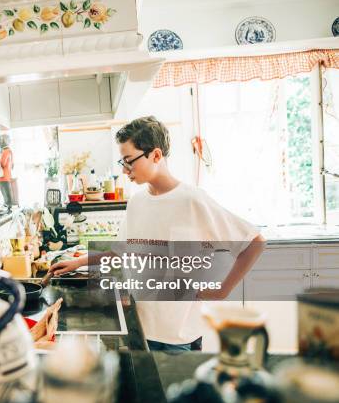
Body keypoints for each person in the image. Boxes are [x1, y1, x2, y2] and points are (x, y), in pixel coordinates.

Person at [49, 116, 265, 352]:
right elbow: (121, 251)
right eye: (123, 161)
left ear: (156, 155)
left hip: (179, 336)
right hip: (139, 328)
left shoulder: (192, 200)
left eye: (129, 161)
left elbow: (254, 243)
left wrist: (222, 291)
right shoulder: (137, 202)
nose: (124, 169)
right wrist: (77, 262)